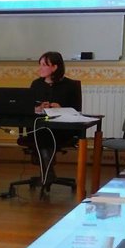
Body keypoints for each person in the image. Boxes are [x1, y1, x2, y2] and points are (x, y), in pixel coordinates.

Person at [18, 50, 84, 191]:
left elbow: (77, 111)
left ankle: (47, 173)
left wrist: (61, 108)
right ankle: (49, 173)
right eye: (40, 64)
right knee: (41, 133)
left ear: (54, 67)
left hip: (62, 130)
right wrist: (38, 108)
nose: (40, 68)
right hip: (39, 127)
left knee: (44, 135)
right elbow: (28, 107)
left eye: (44, 65)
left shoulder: (70, 85)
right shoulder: (36, 84)